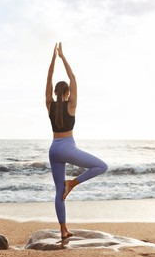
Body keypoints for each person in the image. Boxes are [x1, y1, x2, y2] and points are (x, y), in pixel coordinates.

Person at [45, 42, 108, 241]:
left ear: (55, 93)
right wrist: (63, 57)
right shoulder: (72, 105)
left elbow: (48, 78)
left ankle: (63, 230)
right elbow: (73, 78)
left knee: (58, 191)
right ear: (67, 94)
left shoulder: (50, 105)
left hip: (53, 149)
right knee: (101, 166)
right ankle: (72, 183)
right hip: (67, 148)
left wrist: (53, 58)